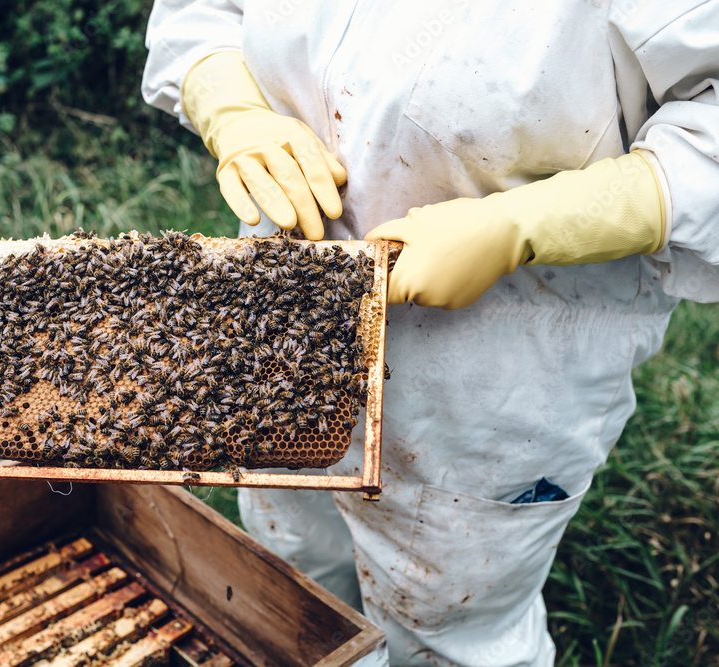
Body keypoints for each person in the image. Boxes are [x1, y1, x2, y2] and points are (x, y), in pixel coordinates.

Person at [142, 2, 719, 665]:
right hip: (283, 324)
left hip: (496, 373)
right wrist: (233, 106)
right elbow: (201, 12)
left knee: (448, 625)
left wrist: (525, 224)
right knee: (288, 569)